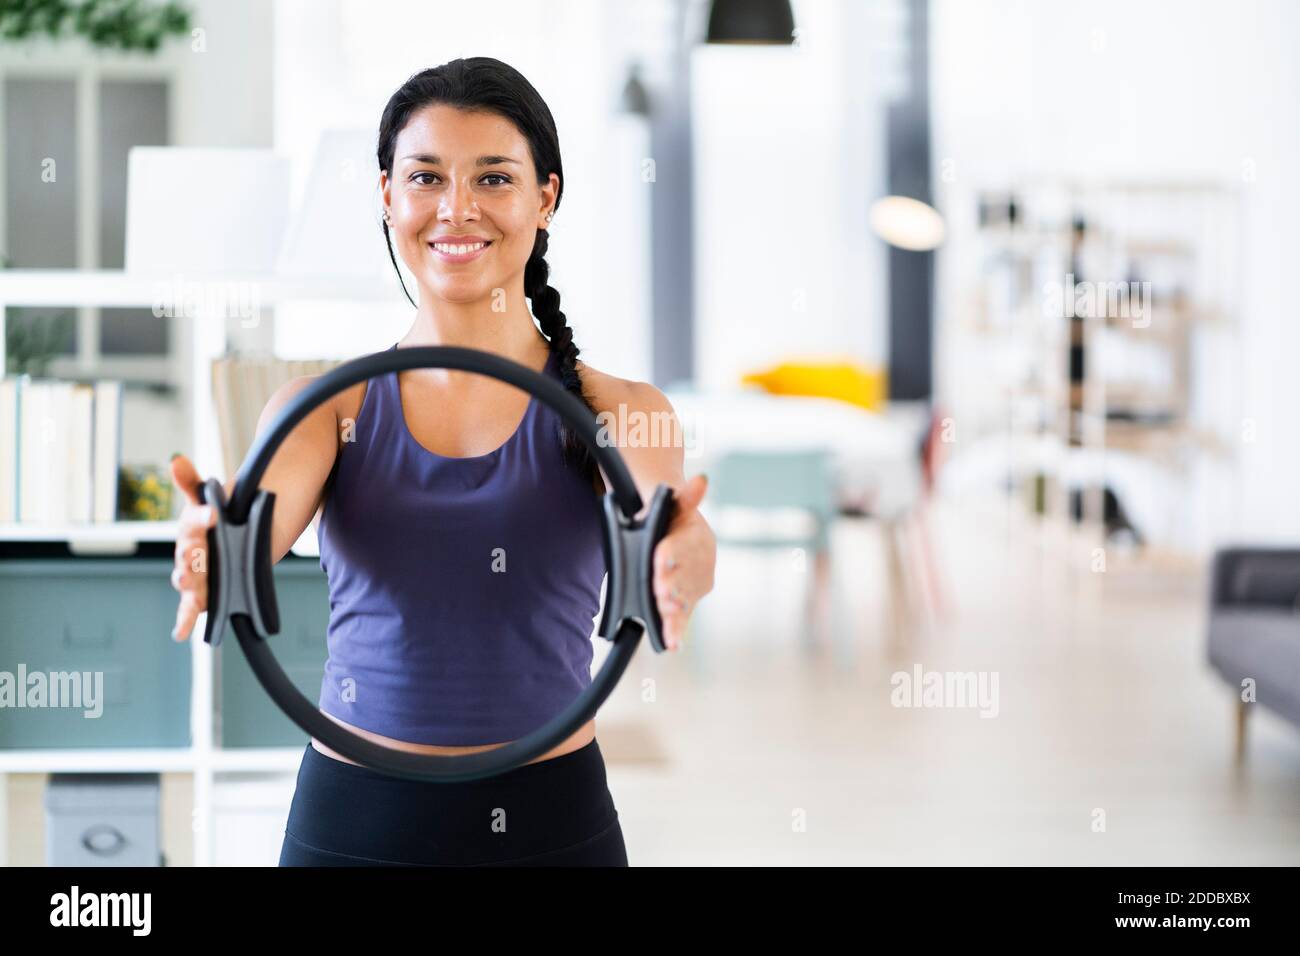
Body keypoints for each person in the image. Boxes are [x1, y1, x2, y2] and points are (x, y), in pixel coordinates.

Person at [168, 57, 716, 867]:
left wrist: (684, 559)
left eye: (494, 178)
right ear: (388, 196)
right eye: (425, 177)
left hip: (550, 821)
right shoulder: (326, 407)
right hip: (354, 823)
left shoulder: (619, 409)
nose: (456, 208)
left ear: (546, 198)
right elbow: (254, 524)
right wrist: (212, 546)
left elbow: (667, 522)